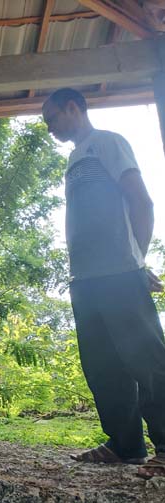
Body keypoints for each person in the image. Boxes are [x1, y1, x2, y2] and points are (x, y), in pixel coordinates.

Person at [42, 88, 165, 478]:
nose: (50, 129)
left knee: (147, 360)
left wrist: (136, 262)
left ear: (73, 108)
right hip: (86, 280)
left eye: (53, 119)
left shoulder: (108, 143)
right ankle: (125, 445)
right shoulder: (74, 159)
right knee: (102, 366)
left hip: (120, 274)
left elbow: (141, 202)